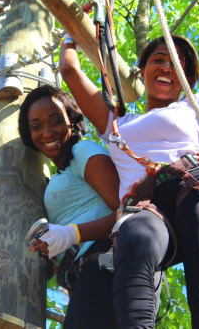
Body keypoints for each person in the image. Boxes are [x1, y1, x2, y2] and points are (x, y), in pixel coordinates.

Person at [57, 34, 199, 328]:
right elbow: (70, 72)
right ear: (141, 71)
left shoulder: (198, 107)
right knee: (134, 248)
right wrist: (72, 34)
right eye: (158, 60)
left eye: (176, 64)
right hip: (146, 205)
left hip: (197, 185)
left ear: (186, 80)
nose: (166, 67)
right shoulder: (117, 124)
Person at [18, 84, 120, 328]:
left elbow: (128, 213)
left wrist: (71, 234)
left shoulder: (82, 150)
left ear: (71, 120)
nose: (47, 132)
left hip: (106, 262)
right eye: (36, 126)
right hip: (86, 274)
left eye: (55, 120)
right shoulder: (60, 173)